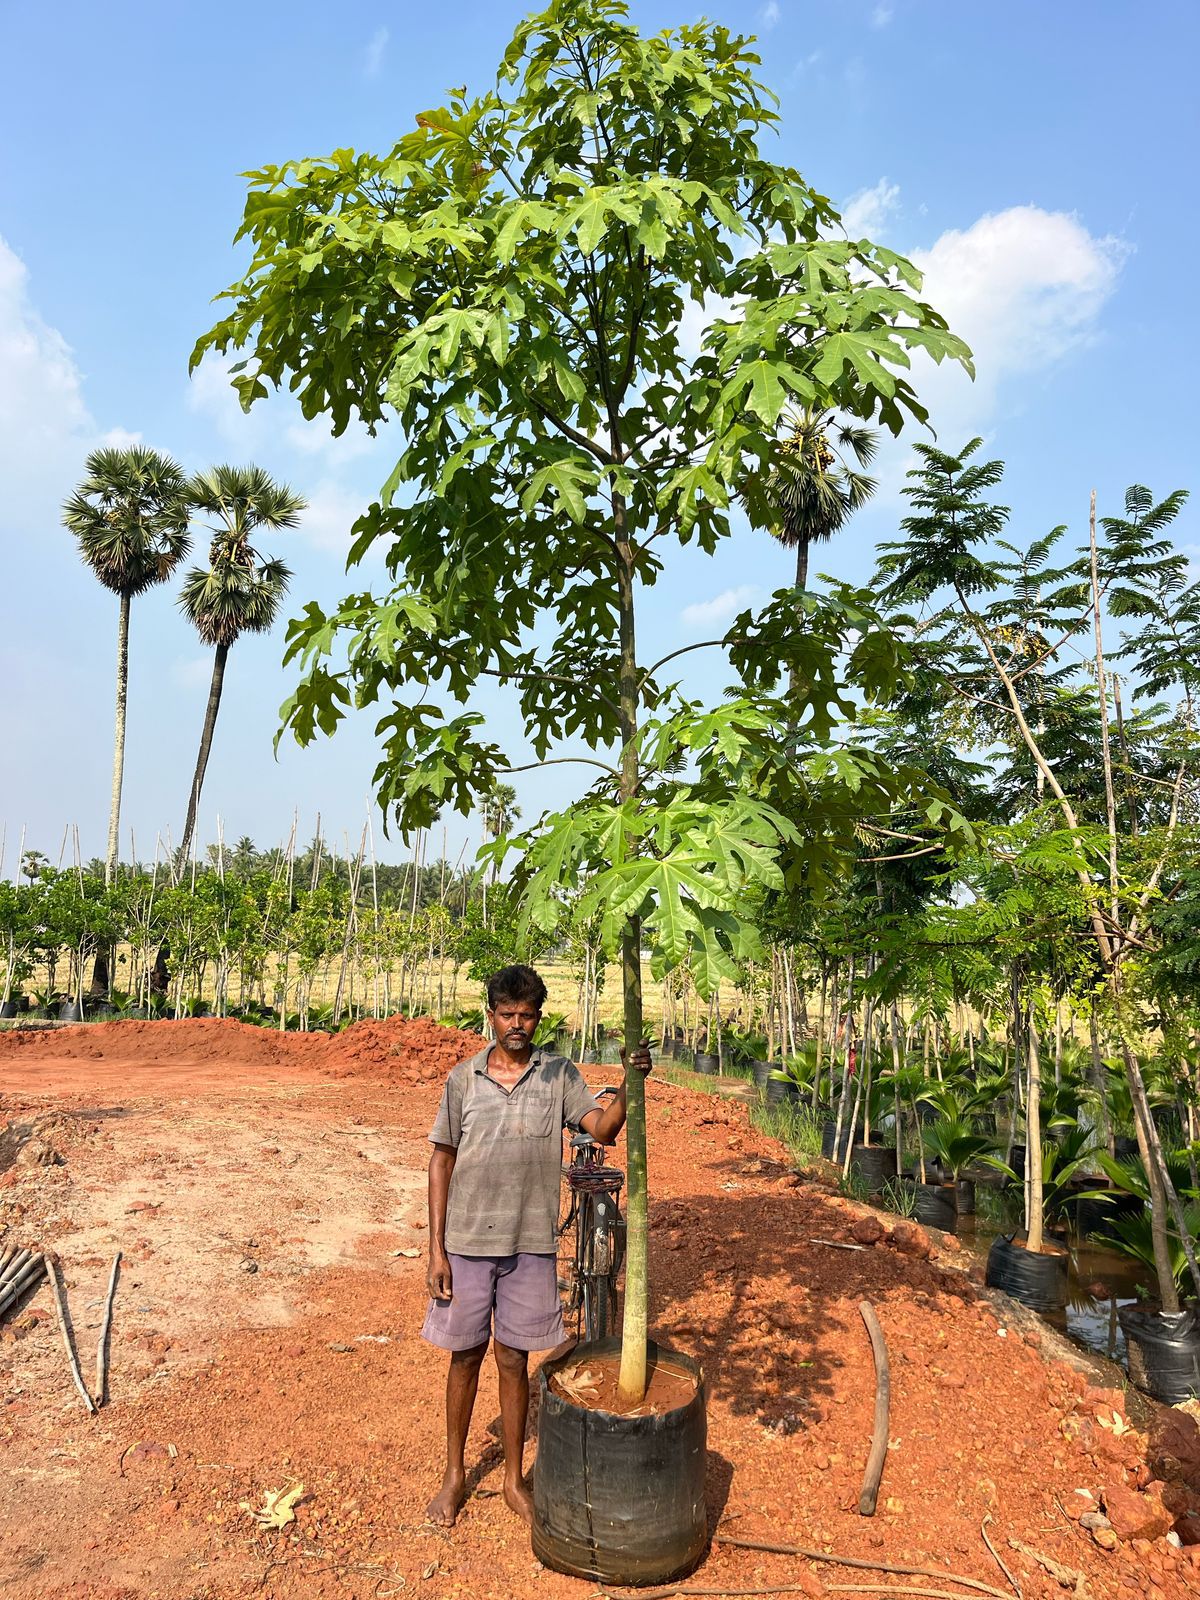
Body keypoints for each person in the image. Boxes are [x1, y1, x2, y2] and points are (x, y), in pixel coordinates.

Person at [422, 962, 651, 1528]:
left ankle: (512, 1480)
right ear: (491, 1016)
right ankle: (454, 1476)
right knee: (466, 1355)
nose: (516, 1025)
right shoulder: (463, 1079)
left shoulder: (558, 1075)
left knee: (513, 1358)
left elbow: (601, 1129)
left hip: (530, 1243)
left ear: (538, 1019)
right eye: (507, 1015)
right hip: (468, 1241)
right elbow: (441, 1160)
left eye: (526, 1016)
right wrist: (435, 1249)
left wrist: (630, 1083)